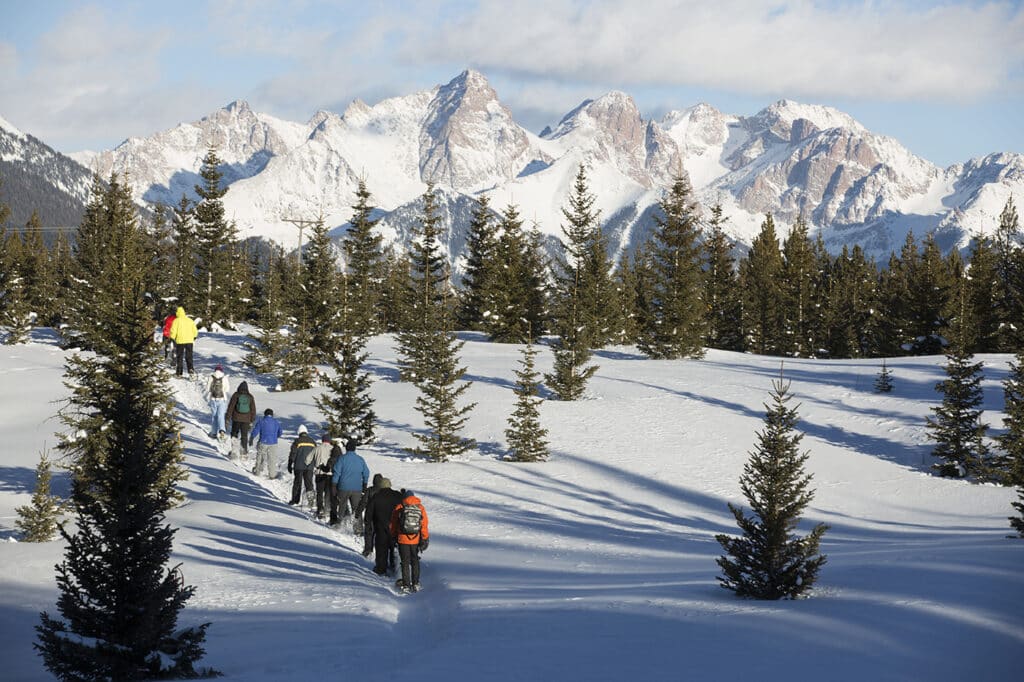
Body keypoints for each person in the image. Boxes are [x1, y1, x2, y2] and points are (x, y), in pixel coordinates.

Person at [390, 489, 429, 592]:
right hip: (415, 540)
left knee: (405, 562)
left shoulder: (400, 507)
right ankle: (416, 583)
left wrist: (393, 535)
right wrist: (424, 538)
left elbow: (393, 524)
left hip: (402, 539)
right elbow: (424, 525)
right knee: (415, 561)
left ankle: (406, 585)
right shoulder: (420, 508)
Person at [366, 477, 403, 576]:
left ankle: (381, 568)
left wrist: (369, 524)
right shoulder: (398, 496)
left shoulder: (376, 496)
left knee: (381, 547)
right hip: (395, 527)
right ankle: (394, 566)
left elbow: (369, 512)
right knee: (393, 547)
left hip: (380, 526)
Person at [332, 439, 369, 523]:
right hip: (357, 488)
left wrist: (334, 485)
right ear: (354, 449)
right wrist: (364, 484)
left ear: (346, 448)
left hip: (343, 487)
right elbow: (366, 473)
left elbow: (337, 472)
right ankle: (358, 528)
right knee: (356, 509)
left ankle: (341, 525)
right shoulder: (360, 459)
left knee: (342, 507)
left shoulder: (342, 459)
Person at [287, 425, 317, 506]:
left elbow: (293, 453)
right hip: (309, 466)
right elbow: (315, 454)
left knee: (297, 483)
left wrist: (290, 464)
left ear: (299, 432)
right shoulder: (312, 442)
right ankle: (311, 502)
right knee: (309, 484)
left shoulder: (297, 441)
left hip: (298, 466)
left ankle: (295, 500)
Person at [226, 381, 256, 456]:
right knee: (244, 436)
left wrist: (227, 418)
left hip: (236, 418)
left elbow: (231, 407)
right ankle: (244, 452)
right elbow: (253, 409)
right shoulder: (250, 397)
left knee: (234, 434)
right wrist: (252, 420)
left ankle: (234, 451)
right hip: (246, 420)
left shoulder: (236, 395)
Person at [251, 408, 283, 478]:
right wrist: (275, 437)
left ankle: (257, 471)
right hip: (273, 443)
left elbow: (256, 430)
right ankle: (272, 475)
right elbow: (280, 432)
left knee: (260, 456)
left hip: (263, 442)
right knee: (272, 459)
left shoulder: (261, 421)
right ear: (272, 414)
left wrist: (252, 437)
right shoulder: (276, 422)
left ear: (265, 414)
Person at [310, 434, 335, 520]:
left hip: (319, 473)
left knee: (319, 493)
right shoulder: (333, 449)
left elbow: (307, 459)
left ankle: (320, 509)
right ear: (330, 440)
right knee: (328, 493)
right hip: (330, 474)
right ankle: (327, 509)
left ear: (322, 440)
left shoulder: (317, 448)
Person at [168, 306, 198, 376]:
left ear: (177, 313)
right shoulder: (190, 320)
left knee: (180, 357)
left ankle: (179, 373)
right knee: (189, 357)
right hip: (189, 341)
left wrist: (172, 338)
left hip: (180, 341)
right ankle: (191, 371)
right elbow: (195, 331)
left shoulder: (176, 321)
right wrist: (193, 337)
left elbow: (173, 331)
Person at [206, 365, 231, 438]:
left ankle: (213, 433)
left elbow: (208, 389)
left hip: (213, 399)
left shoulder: (211, 377)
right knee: (221, 415)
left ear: (215, 370)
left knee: (214, 416)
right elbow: (227, 389)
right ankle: (222, 430)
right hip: (222, 399)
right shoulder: (224, 378)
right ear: (221, 370)